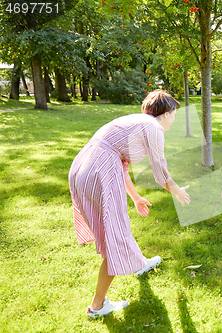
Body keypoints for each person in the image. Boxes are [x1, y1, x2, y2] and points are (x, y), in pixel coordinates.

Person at [68, 90, 190, 318]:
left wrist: (135, 197)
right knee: (115, 235)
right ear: (165, 114)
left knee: (116, 228)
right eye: (174, 113)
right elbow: (160, 170)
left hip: (83, 167)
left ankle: (139, 263)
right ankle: (97, 306)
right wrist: (176, 191)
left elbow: (122, 162)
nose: (174, 119)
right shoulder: (153, 127)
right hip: (100, 170)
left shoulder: (137, 121)